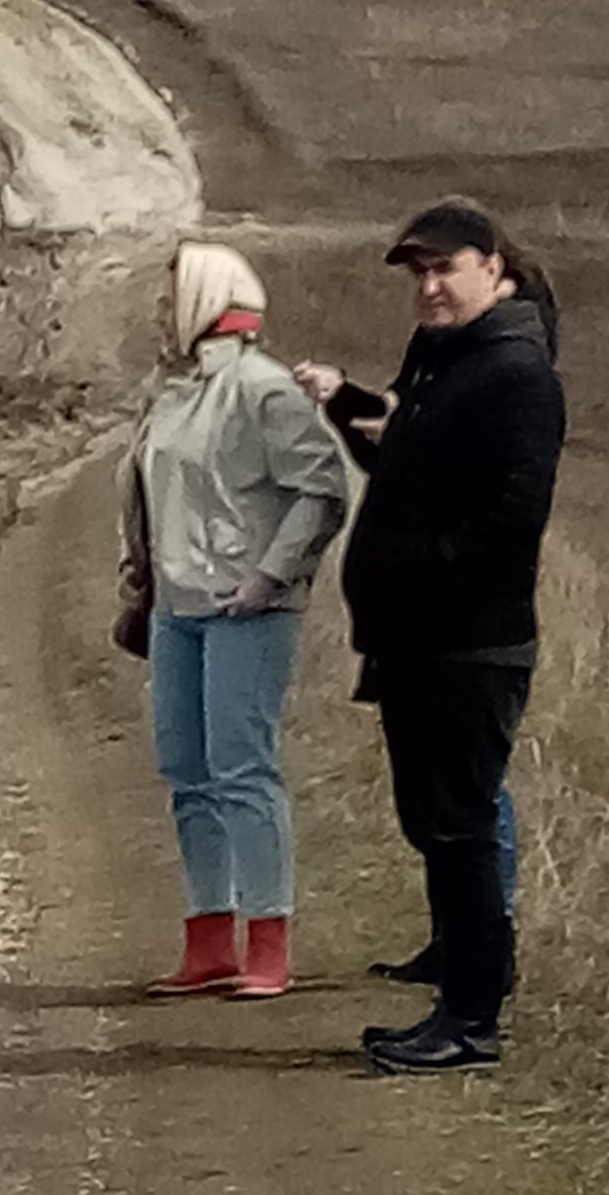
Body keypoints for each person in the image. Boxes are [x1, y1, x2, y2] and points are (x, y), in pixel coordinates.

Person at [295, 199, 565, 1074]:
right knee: (435, 818)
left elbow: (510, 521)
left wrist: (417, 575)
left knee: (458, 823)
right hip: (419, 641)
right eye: (417, 272)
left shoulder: (516, 375)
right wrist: (347, 411)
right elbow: (404, 467)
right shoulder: (447, 362)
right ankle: (458, 966)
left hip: (467, 643)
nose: (429, 285)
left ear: (497, 267)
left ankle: (472, 1021)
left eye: (445, 267)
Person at [115, 240, 351, 1000]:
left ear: (205, 299)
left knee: (243, 769)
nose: (160, 312)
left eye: (169, 295)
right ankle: (208, 937)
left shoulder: (263, 389)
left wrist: (269, 574)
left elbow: (320, 488)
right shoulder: (176, 394)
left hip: (246, 608)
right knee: (187, 771)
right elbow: (149, 496)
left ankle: (268, 942)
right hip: (177, 608)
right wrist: (140, 579)